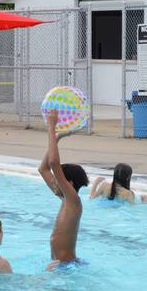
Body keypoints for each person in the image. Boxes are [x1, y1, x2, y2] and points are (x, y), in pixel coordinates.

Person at [38, 109, 90, 270]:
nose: (55, 181)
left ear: (70, 183)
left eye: (59, 179)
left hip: (66, 267)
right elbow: (43, 169)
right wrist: (57, 138)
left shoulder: (73, 200)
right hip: (59, 265)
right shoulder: (65, 199)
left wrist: (51, 126)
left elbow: (53, 164)